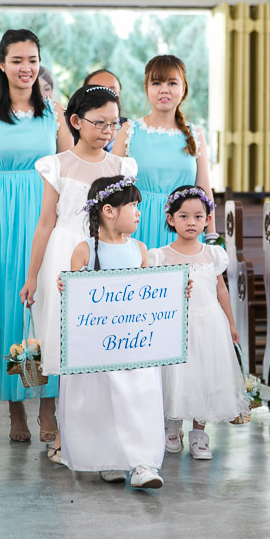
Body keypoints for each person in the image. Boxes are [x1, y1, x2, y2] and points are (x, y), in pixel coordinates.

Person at [0, 29, 73, 444]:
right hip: (2, 223)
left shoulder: (56, 113)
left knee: (48, 310)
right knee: (13, 313)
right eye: (18, 60)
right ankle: (16, 409)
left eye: (33, 60)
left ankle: (48, 407)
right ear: (1, 64)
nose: (26, 68)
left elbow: (70, 168)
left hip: (47, 219)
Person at [19, 86, 136, 460]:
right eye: (98, 122)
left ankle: (105, 433)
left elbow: (127, 222)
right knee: (68, 348)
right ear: (75, 121)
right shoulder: (56, 165)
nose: (107, 130)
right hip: (63, 256)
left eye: (113, 123)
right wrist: (32, 275)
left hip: (107, 258)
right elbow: (44, 223)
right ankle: (63, 436)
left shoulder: (121, 168)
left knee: (101, 348)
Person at [55, 176, 166, 488]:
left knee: (140, 399)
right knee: (104, 401)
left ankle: (144, 464)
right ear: (109, 210)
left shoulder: (140, 250)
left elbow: (149, 294)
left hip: (135, 346)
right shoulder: (85, 251)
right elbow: (76, 302)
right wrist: (66, 287)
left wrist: (173, 294)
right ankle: (109, 458)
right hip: (101, 347)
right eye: (132, 205)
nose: (138, 212)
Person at [148, 186, 247, 460]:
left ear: (207, 220)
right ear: (171, 219)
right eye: (183, 216)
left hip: (209, 324)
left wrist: (230, 322)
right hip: (176, 325)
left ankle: (199, 435)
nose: (191, 222)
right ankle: (171, 427)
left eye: (198, 216)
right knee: (176, 376)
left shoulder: (213, 254)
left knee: (205, 376)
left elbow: (221, 290)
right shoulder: (160, 256)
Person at [111, 55, 215, 248]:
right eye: (156, 83)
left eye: (172, 83)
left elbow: (204, 190)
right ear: (146, 89)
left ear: (183, 89)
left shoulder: (196, 134)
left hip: (184, 229)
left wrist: (212, 238)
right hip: (138, 227)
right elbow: (113, 190)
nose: (164, 90)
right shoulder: (128, 131)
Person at [82, 68, 124, 153]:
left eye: (113, 91)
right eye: (98, 93)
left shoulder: (132, 131)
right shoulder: (71, 134)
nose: (106, 98)